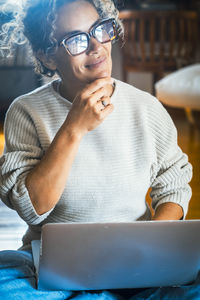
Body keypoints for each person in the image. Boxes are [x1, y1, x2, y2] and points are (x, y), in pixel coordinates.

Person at [0, 0, 197, 299]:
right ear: (47, 56)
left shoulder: (147, 108)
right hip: (53, 265)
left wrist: (152, 249)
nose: (95, 46)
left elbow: (173, 185)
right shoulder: (26, 111)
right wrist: (74, 128)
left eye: (99, 30)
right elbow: (32, 209)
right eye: (76, 39)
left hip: (137, 260)